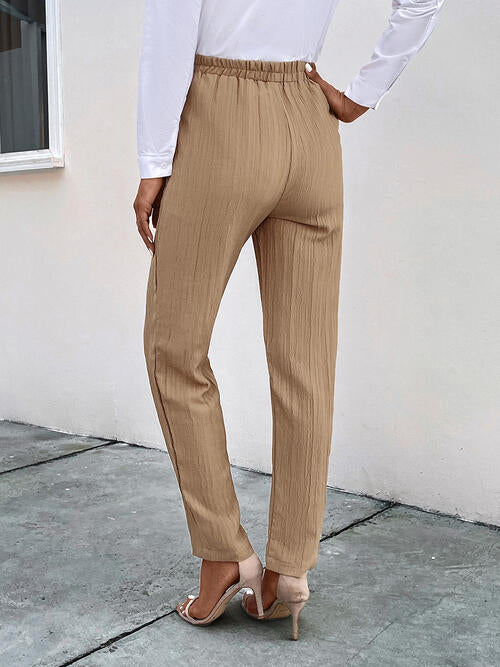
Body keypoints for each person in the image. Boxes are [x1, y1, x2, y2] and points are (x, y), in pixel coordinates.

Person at [133, 0, 444, 640]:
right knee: (305, 363)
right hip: (309, 121)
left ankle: (224, 554)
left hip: (218, 122)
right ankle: (289, 571)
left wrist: (153, 162)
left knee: (174, 349)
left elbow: (170, 28)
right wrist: (360, 95)